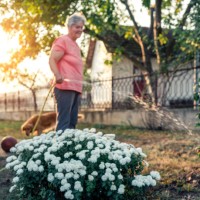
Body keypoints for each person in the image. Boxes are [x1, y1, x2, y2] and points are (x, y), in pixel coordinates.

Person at [49, 13, 86, 131]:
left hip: (75, 88)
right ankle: (59, 148)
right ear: (70, 27)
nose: (80, 30)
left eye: (81, 27)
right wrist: (57, 74)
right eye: (77, 27)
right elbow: (52, 60)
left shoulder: (75, 45)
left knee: (72, 122)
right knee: (64, 122)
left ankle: (69, 148)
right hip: (64, 87)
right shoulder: (63, 40)